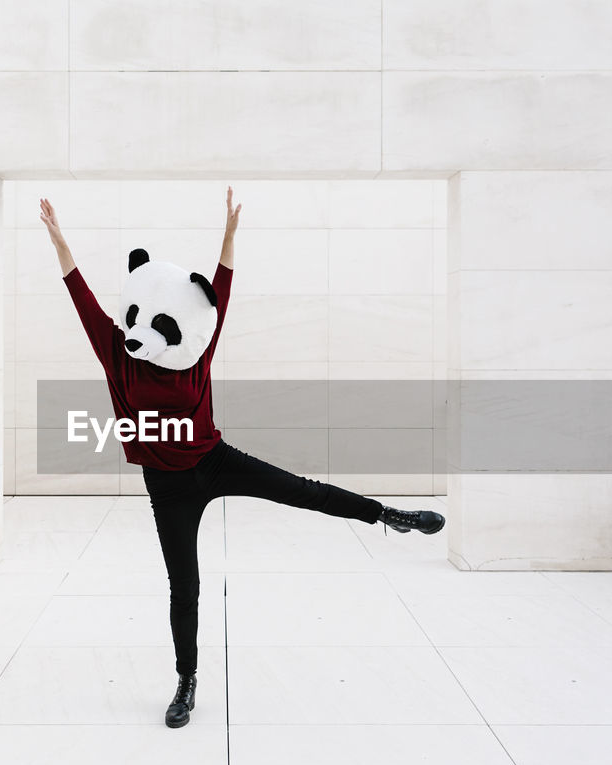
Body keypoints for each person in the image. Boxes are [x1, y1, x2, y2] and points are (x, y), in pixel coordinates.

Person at [39, 187, 444, 728]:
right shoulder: (117, 352)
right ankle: (186, 681)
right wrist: (60, 240)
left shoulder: (196, 348)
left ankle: (390, 515)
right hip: (167, 485)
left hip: (214, 460)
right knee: (185, 589)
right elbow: (81, 296)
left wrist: (228, 236)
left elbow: (219, 295)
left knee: (306, 491)